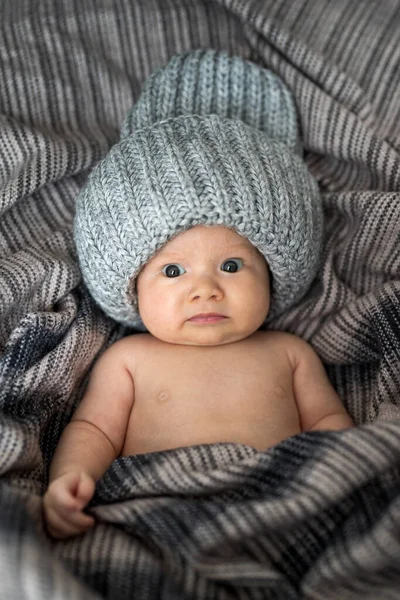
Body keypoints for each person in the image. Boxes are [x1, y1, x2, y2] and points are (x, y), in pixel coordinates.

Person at [43, 50, 353, 538]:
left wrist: (347, 479)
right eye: (172, 270)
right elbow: (94, 431)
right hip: (156, 504)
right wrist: (69, 480)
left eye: (231, 265)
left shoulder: (290, 353)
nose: (205, 289)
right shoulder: (129, 359)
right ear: (131, 287)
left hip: (280, 501)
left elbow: (329, 423)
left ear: (273, 275)